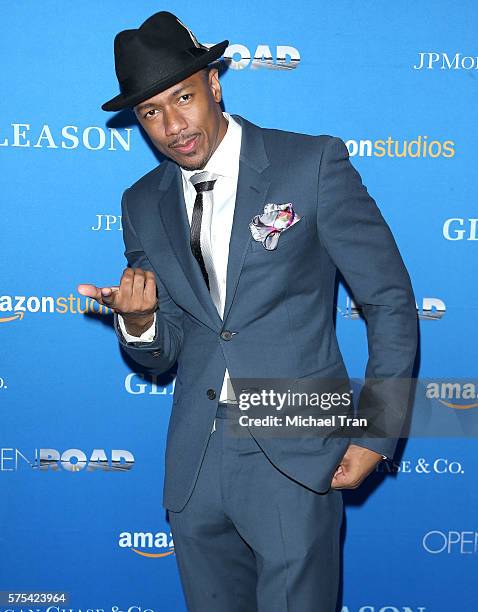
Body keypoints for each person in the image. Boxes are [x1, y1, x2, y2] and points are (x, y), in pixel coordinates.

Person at [78, 10, 418, 612]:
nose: (172, 125)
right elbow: (166, 350)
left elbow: (389, 300)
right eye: (150, 112)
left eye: (182, 97)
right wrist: (138, 322)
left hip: (296, 446)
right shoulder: (141, 202)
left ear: (214, 82)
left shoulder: (310, 164)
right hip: (195, 463)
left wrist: (378, 428)